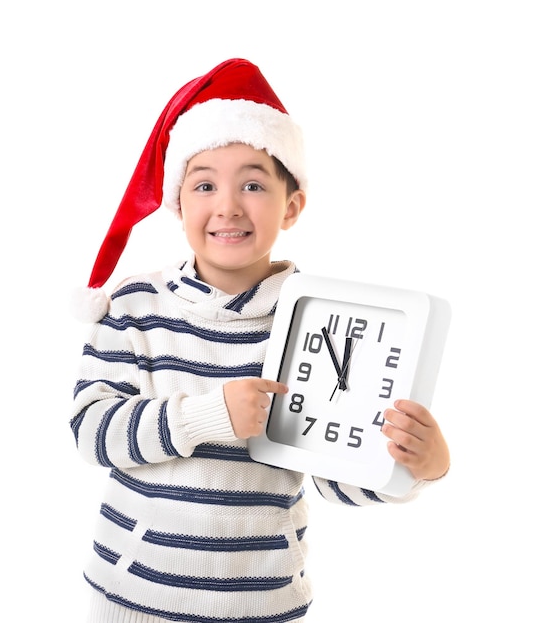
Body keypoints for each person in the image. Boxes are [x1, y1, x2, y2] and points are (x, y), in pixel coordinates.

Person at [70, 58, 450, 623]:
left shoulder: (320, 323)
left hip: (261, 604)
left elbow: (333, 476)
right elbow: (92, 433)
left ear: (291, 206)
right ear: (178, 203)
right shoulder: (134, 308)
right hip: (133, 599)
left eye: (253, 183)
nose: (227, 205)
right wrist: (207, 417)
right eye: (204, 185)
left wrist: (412, 467)